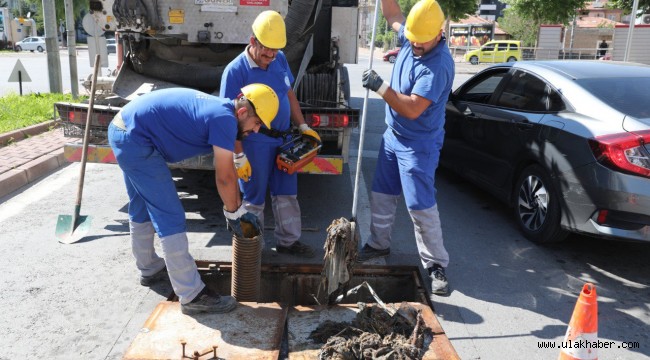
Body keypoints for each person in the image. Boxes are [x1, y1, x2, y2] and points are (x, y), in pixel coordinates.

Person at [108, 84, 279, 315]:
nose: (257, 130)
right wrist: (235, 213)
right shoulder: (223, 119)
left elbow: (229, 170)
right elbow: (226, 178)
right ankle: (191, 295)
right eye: (257, 123)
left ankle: (149, 267)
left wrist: (237, 201)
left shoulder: (224, 111)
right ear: (243, 113)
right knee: (170, 214)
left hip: (126, 129)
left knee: (141, 205)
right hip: (135, 139)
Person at [357, 0, 455, 296]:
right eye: (411, 38)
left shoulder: (438, 65)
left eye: (420, 40)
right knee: (382, 194)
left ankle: (436, 264)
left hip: (418, 143)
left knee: (419, 205)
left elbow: (412, 108)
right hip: (393, 135)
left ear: (439, 33)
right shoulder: (415, 35)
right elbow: (392, 14)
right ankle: (378, 243)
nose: (414, 44)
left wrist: (381, 87)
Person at [219, 10, 321, 258]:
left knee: (287, 192)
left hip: (284, 139)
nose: (270, 56)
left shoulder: (279, 60)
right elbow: (227, 118)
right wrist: (238, 154)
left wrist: (303, 126)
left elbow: (288, 94)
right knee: (253, 196)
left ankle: (289, 241)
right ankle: (253, 246)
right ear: (253, 41)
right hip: (255, 141)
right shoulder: (235, 71)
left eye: (275, 51)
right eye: (266, 50)